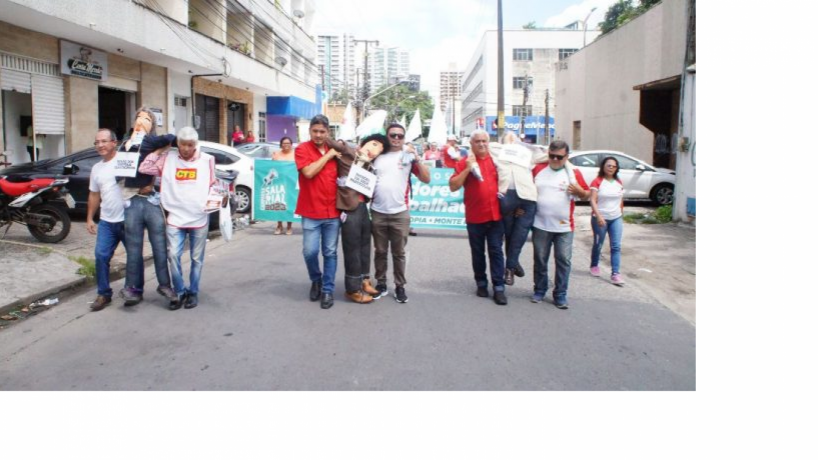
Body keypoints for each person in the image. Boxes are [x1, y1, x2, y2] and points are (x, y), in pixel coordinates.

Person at [139, 127, 215, 310]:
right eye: (183, 144)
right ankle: (180, 292)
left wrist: (214, 201)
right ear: (177, 143)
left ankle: (193, 292)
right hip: (175, 217)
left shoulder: (207, 160)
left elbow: (213, 184)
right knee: (173, 256)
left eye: (190, 145)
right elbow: (144, 167)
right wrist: (161, 149)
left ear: (195, 144)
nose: (187, 149)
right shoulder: (168, 159)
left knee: (197, 259)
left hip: (199, 218)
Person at [119, 107, 177, 307]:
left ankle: (165, 284)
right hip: (132, 200)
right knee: (133, 249)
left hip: (150, 199)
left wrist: (159, 149)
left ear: (152, 124)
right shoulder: (126, 143)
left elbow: (173, 138)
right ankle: (133, 288)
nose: (141, 120)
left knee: (160, 246)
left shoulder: (150, 141)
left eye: (146, 118)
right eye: (138, 117)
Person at [370, 123, 431, 303]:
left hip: (400, 213)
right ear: (387, 136)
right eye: (393, 135)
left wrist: (417, 158)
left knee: (399, 253)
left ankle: (399, 286)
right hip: (378, 211)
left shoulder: (408, 157)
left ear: (404, 138)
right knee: (380, 251)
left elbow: (427, 178)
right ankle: (381, 284)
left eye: (400, 136)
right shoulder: (377, 155)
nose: (396, 139)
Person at [325, 134, 389, 304]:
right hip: (348, 208)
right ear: (362, 143)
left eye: (379, 150)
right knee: (352, 248)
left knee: (365, 246)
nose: (374, 151)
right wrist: (337, 142)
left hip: (362, 208)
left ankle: (364, 280)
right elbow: (329, 141)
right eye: (373, 144)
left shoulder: (370, 165)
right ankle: (352, 289)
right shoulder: (348, 152)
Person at [449, 129, 507, 305]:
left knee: (496, 251)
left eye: (484, 141)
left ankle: (499, 287)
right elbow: (453, 186)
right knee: (478, 253)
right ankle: (481, 283)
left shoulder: (497, 161)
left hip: (496, 216)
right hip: (475, 216)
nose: (481, 144)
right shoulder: (465, 162)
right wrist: (467, 169)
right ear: (471, 144)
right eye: (478, 141)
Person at [530, 140, 590, 308]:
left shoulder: (573, 173)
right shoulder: (538, 170)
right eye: (552, 156)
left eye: (559, 157)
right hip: (540, 224)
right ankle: (540, 289)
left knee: (563, 260)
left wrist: (580, 192)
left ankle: (560, 294)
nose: (555, 160)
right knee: (540, 259)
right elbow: (526, 191)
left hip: (564, 226)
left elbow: (587, 195)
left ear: (566, 157)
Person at [488, 133, 549, 288]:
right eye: (508, 137)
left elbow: (548, 155)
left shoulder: (528, 153)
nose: (511, 139)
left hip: (527, 196)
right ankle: (513, 262)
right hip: (506, 196)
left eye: (513, 138)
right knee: (508, 233)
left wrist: (528, 146)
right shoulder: (497, 150)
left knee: (520, 234)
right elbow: (482, 146)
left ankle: (509, 269)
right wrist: (505, 145)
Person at [295, 115, 342, 309]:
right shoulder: (302, 149)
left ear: (328, 132)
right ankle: (316, 279)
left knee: (330, 253)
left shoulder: (337, 151)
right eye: (315, 131)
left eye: (322, 131)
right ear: (310, 131)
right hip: (311, 212)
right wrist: (328, 155)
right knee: (310, 252)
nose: (318, 135)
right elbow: (308, 172)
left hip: (333, 212)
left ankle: (327, 290)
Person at [86, 129, 126, 312]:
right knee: (101, 256)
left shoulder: (125, 161)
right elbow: (94, 194)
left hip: (127, 220)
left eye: (104, 141)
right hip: (107, 222)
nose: (100, 145)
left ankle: (134, 290)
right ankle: (103, 293)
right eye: (97, 142)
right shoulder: (96, 168)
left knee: (134, 258)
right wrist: (89, 218)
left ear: (114, 143)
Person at [589, 156, 626, 286]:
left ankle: (615, 273)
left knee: (616, 246)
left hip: (616, 218)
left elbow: (620, 199)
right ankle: (594, 264)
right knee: (598, 244)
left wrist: (621, 213)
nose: (611, 168)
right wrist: (598, 216)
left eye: (614, 166)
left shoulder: (618, 182)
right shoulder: (597, 181)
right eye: (608, 165)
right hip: (600, 218)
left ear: (617, 168)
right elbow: (592, 200)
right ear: (603, 167)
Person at [272, 136, 295, 235]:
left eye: (288, 143)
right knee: (279, 205)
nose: (286, 145)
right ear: (281, 144)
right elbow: (270, 168)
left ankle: (289, 226)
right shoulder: (276, 154)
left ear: (291, 145)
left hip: (291, 183)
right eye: (284, 143)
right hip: (279, 183)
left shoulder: (295, 154)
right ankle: (279, 225)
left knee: (290, 205)